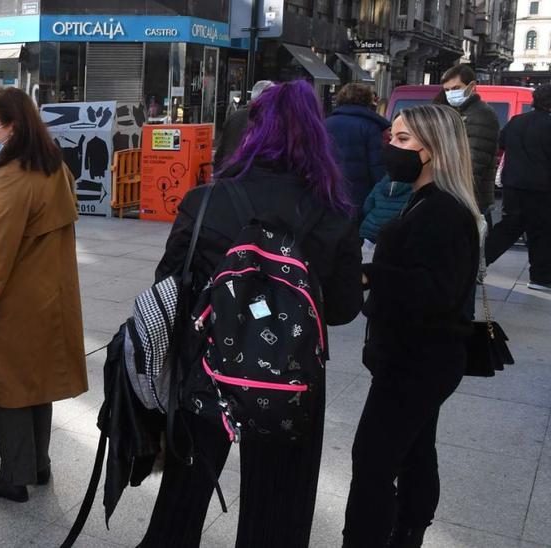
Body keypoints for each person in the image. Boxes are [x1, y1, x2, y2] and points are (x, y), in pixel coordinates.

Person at [141, 81, 364, 547]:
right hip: (291, 376)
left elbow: (168, 285)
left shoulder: (205, 201)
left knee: (183, 495)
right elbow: (343, 309)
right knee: (279, 506)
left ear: (251, 133)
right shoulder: (336, 212)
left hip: (206, 367)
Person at [342, 105, 483, 548]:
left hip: (418, 360)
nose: (392, 148)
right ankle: (408, 530)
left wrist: (371, 274)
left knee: (373, 460)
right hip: (417, 357)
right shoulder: (423, 199)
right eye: (393, 138)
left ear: (433, 149)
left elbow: (436, 290)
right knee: (415, 451)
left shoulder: (443, 210)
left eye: (403, 141)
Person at [0, 86, 87, 503]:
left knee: (5, 387)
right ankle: (37, 465)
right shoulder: (51, 167)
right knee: (34, 385)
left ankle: (14, 477)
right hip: (45, 299)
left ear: (13, 127)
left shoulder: (11, 180)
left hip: (11, 304)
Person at [485, 84, 551, 291]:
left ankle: (478, 261)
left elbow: (502, 143)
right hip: (542, 187)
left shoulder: (516, 121)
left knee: (509, 226)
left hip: (513, 184)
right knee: (541, 231)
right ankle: (540, 277)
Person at [435, 64, 500, 214]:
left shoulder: (481, 114)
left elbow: (474, 163)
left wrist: (459, 195)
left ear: (471, 86)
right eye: (447, 90)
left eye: (456, 88)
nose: (451, 93)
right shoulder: (457, 112)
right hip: (458, 192)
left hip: (470, 197)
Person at [326, 82, 390, 206]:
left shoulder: (325, 124)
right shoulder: (371, 127)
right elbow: (377, 166)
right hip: (361, 196)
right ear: (367, 101)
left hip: (330, 191)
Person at [213, 80, 273, 169]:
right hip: (249, 175)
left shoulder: (234, 117)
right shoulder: (269, 120)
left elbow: (220, 153)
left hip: (229, 173)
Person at [360, 175, 413, 244]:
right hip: (394, 233)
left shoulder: (379, 185)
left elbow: (367, 206)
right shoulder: (412, 189)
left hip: (371, 230)